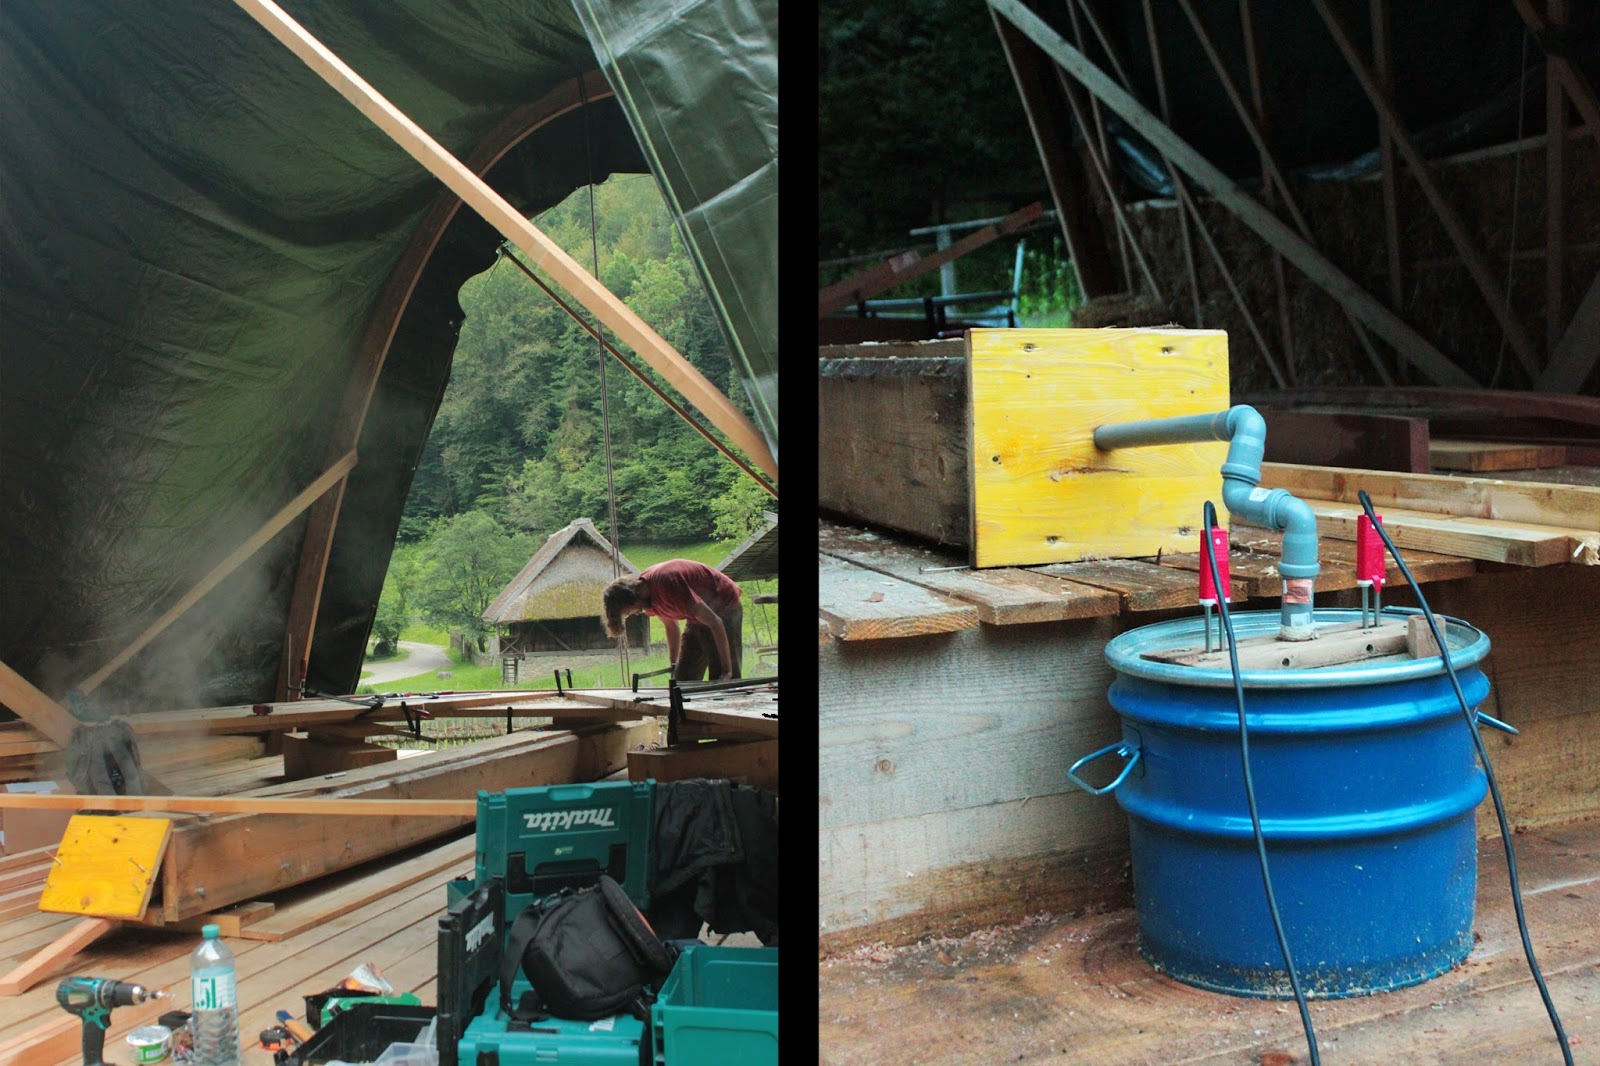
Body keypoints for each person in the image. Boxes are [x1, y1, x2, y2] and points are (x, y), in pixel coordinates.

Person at [602, 559, 743, 680]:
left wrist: (727, 671)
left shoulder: (669, 586)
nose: (636, 613)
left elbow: (715, 622)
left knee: (721, 680)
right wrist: (674, 664)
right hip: (699, 614)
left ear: (633, 598)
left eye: (630, 611)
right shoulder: (648, 598)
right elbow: (671, 626)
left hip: (724, 602)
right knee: (682, 679)